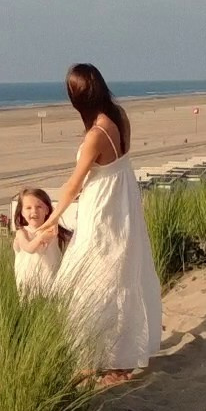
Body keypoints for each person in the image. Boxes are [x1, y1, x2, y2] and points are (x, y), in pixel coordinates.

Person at [37, 63, 163, 384]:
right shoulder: (118, 116)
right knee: (116, 276)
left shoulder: (95, 134)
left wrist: (50, 219)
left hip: (103, 212)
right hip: (121, 204)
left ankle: (100, 359)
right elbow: (120, 163)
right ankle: (112, 358)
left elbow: (73, 184)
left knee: (87, 279)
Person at [11, 187, 65, 295]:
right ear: (21, 212)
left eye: (39, 207)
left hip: (52, 285)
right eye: (28, 208)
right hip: (28, 288)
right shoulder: (22, 233)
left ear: (47, 210)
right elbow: (29, 248)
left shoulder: (53, 232)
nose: (34, 211)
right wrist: (41, 237)